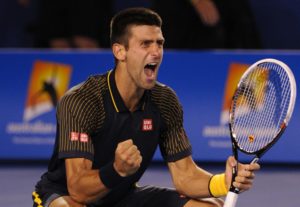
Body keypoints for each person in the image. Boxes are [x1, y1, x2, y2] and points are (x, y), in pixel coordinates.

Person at [32, 7, 260, 207]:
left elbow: (185, 175)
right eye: (145, 44)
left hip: (122, 196)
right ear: (120, 51)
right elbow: (78, 190)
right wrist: (116, 170)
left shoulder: (164, 101)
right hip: (65, 195)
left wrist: (223, 181)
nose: (156, 52)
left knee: (210, 206)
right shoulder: (82, 100)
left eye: (159, 43)